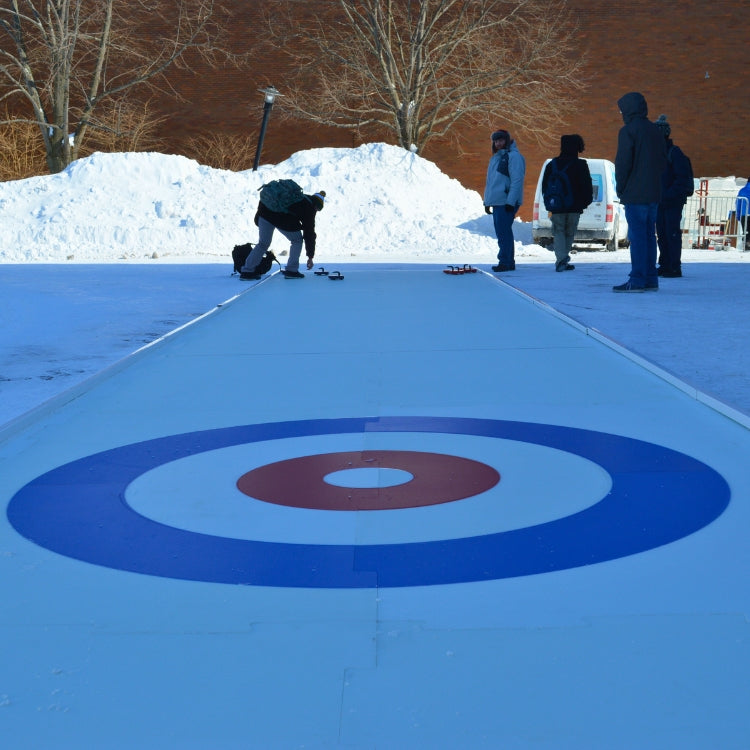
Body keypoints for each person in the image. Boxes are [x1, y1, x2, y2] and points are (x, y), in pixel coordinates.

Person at [612, 92, 667, 292]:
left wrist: (621, 187)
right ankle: (651, 278)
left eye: (621, 110)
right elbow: (663, 161)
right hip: (653, 192)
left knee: (638, 237)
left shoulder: (628, 131)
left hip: (635, 194)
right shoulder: (655, 131)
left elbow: (623, 163)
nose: (620, 113)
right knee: (649, 236)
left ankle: (637, 279)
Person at [240, 189, 326, 279]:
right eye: (318, 209)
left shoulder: (294, 196)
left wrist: (258, 218)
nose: (317, 211)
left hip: (264, 214)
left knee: (263, 243)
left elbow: (265, 202)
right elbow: (309, 233)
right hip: (280, 218)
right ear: (316, 205)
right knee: (297, 241)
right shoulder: (309, 207)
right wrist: (310, 256)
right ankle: (292, 270)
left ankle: (247, 271)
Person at [541, 134, 594, 272]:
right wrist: (585, 203)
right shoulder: (580, 164)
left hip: (557, 205)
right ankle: (563, 258)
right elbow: (587, 187)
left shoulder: (552, 164)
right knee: (569, 232)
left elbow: (545, 186)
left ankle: (561, 259)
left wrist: (550, 202)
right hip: (575, 206)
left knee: (558, 231)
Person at [654, 114, 693, 278]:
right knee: (663, 234)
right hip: (661, 201)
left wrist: (668, 195)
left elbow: (681, 179)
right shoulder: (659, 154)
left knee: (671, 233)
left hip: (671, 201)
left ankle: (673, 266)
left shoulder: (673, 153)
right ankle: (665, 264)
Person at [483, 129, 525, 272]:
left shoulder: (514, 157)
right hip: (498, 202)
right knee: (502, 233)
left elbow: (517, 180)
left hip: (506, 201)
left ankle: (506, 262)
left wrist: (510, 202)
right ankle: (507, 261)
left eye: (501, 140)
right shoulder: (496, 158)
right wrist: (487, 202)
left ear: (506, 140)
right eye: (496, 141)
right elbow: (491, 182)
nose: (498, 143)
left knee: (504, 233)